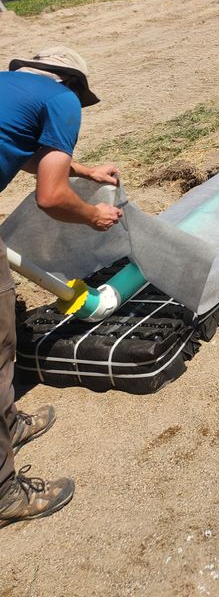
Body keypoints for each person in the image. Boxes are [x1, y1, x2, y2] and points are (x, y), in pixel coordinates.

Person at [0, 47, 120, 525]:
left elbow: (20, 147)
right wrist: (94, 214)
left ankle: (10, 424)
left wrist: (84, 171)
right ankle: (4, 494)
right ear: (70, 81)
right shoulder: (62, 99)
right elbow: (50, 197)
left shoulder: (10, 91)